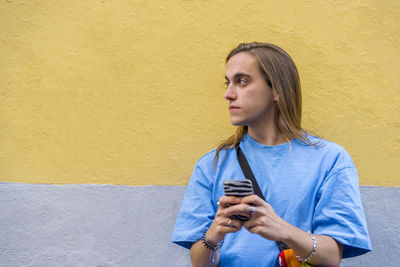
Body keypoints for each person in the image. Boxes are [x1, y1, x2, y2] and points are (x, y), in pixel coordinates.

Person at [172, 42, 371, 266]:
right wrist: (213, 236)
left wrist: (283, 231)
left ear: (277, 90)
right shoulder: (212, 164)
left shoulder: (330, 160)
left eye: (242, 81)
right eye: (228, 83)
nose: (228, 94)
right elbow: (200, 263)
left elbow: (332, 256)